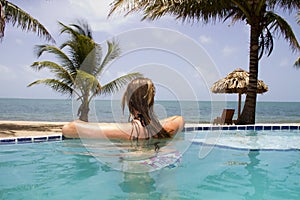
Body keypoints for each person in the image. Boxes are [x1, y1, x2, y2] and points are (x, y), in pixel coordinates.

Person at [62, 78, 185, 140]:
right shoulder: (169, 127)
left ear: (129, 101)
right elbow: (179, 119)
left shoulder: (125, 131)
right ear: (151, 100)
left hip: (136, 163)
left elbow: (68, 129)